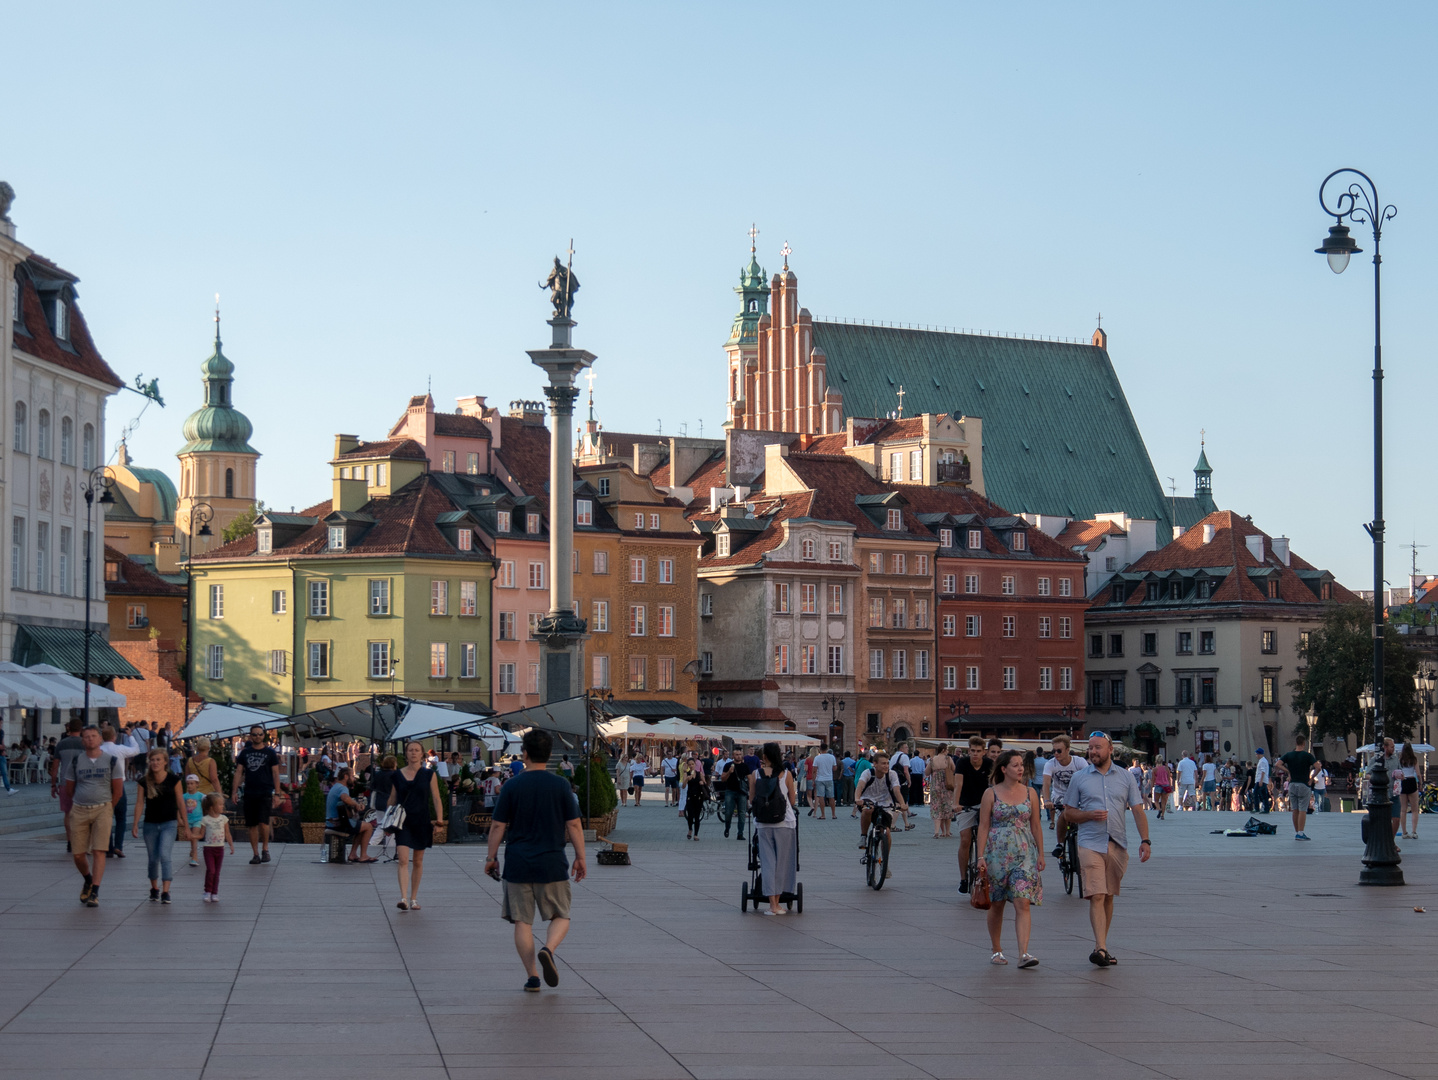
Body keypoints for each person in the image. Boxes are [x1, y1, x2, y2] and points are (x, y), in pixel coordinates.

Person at [486, 728, 586, 992]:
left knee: (522, 922)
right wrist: (581, 857)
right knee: (561, 915)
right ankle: (549, 949)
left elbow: (498, 826)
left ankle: (533, 977)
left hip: (518, 863)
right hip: (552, 862)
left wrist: (491, 857)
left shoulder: (512, 785)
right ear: (550, 754)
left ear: (525, 754)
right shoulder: (560, 785)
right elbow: (574, 825)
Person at [1063, 731, 1150, 967]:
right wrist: (1088, 815)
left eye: (1098, 747)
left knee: (1109, 895)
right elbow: (1068, 812)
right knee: (1097, 894)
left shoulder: (1126, 777)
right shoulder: (1079, 778)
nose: (1093, 752)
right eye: (1090, 748)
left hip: (1116, 842)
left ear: (1110, 749)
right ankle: (1100, 948)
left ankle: (1102, 945)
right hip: (1089, 842)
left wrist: (1145, 840)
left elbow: (1138, 809)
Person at [977, 749, 1044, 967]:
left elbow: (1035, 825)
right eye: (1015, 765)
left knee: (1022, 901)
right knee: (996, 904)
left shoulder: (1030, 793)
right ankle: (996, 950)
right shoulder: (991, 794)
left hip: (1024, 854)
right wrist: (980, 856)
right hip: (996, 854)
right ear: (1004, 769)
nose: (1020, 769)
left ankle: (1023, 953)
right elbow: (984, 826)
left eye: (1021, 765)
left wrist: (1041, 853)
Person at [63, 726, 125, 908]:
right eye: (86, 737)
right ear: (83, 741)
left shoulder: (111, 761)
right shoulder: (76, 761)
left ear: (100, 739)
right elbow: (69, 788)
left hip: (103, 808)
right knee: (78, 854)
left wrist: (108, 808)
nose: (90, 739)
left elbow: (118, 790)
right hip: (80, 809)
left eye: (93, 736)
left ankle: (95, 892)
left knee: (99, 851)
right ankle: (88, 879)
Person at [389, 742, 445, 910]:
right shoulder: (397, 775)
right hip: (402, 822)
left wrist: (440, 821)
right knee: (403, 859)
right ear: (406, 754)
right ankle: (403, 898)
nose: (413, 753)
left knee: (418, 861)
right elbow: (392, 799)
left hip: (421, 820)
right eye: (410, 750)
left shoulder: (429, 774)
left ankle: (414, 898)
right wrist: (387, 823)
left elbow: (436, 798)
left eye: (416, 750)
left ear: (422, 754)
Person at [132, 747, 188, 904]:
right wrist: (135, 823)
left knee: (164, 854)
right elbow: (139, 803)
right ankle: (154, 888)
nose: (155, 763)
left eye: (158, 760)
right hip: (150, 823)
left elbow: (180, 802)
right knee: (152, 858)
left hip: (169, 822)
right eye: (152, 760)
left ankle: (166, 891)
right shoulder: (144, 781)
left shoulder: (173, 780)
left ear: (165, 762)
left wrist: (186, 824)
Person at [748, 741, 798, 916]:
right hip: (785, 823)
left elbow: (751, 799)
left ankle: (771, 905)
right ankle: (779, 902)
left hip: (763, 823)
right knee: (783, 863)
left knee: (768, 864)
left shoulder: (756, 774)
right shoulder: (786, 775)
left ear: (764, 757)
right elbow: (791, 801)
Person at [230, 724, 281, 864]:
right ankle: (255, 853)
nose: (257, 736)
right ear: (250, 736)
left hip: (264, 791)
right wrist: (234, 791)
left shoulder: (270, 753)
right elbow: (239, 772)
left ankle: (265, 849)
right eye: (254, 734)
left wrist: (277, 793)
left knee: (263, 822)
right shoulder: (245, 753)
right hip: (249, 792)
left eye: (259, 734)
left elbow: (276, 773)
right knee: (251, 824)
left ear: (263, 735)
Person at [100, 724, 142, 858]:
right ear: (114, 736)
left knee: (106, 818)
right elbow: (136, 750)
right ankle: (119, 845)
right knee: (121, 817)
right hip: (118, 785)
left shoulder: (99, 750)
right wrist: (130, 736)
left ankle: (108, 846)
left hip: (104, 786)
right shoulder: (119, 749)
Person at [955, 736, 990, 892]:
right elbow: (958, 784)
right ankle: (963, 878)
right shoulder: (962, 763)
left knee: (990, 838)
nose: (975, 754)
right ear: (968, 751)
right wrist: (955, 803)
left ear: (984, 752)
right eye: (972, 751)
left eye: (978, 751)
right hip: (966, 804)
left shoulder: (990, 764)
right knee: (965, 839)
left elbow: (995, 785)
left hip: (985, 804)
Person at [1041, 735, 1085, 859]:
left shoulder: (1079, 762)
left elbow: (1089, 780)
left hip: (1078, 795)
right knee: (1065, 814)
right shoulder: (1051, 764)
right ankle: (1060, 844)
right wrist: (1047, 800)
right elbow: (1046, 782)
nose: (1056, 754)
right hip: (1060, 795)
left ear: (1067, 749)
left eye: (1059, 750)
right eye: (1053, 751)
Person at [855, 752, 907, 852]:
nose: (886, 766)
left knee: (886, 832)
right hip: (868, 799)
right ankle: (863, 836)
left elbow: (896, 790)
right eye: (883, 763)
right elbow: (860, 786)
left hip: (886, 803)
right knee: (868, 809)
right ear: (875, 764)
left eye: (887, 763)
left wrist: (902, 803)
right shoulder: (868, 773)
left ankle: (885, 861)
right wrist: (857, 798)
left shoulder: (892, 774)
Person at [326, 767, 377, 863]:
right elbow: (345, 798)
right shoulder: (343, 788)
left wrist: (353, 806)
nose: (354, 779)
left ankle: (353, 854)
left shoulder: (336, 786)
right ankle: (364, 855)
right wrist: (356, 804)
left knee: (360, 826)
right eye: (352, 776)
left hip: (332, 822)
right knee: (369, 827)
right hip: (338, 824)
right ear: (346, 777)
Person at [51, 720, 85, 848]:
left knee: (67, 813)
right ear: (81, 729)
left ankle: (70, 841)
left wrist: (53, 785)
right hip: (82, 782)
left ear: (69, 728)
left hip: (65, 782)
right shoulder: (85, 743)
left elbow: (55, 767)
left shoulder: (61, 744)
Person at [1279, 736, 1318, 841]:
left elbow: (1278, 764)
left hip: (1292, 784)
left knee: (1294, 809)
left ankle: (1297, 832)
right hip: (1303, 784)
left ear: (1295, 743)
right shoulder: (1307, 756)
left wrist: (1288, 771)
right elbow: (1318, 767)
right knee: (1302, 810)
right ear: (1304, 743)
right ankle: (1301, 833)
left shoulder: (1289, 755)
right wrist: (1312, 778)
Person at [199, 793, 234, 902]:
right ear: (211, 807)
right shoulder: (205, 820)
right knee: (211, 870)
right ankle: (207, 891)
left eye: (222, 804)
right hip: (209, 848)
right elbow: (201, 835)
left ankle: (215, 892)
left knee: (217, 871)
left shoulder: (223, 819)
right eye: (219, 804)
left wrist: (231, 845)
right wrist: (192, 836)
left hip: (220, 848)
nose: (222, 807)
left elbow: (227, 833)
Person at [716, 751, 750, 840]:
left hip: (741, 792)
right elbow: (723, 779)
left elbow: (750, 779)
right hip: (730, 791)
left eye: (740, 755)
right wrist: (729, 772)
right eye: (736, 755)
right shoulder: (728, 765)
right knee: (728, 812)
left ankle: (740, 833)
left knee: (742, 813)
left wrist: (750, 790)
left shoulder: (745, 766)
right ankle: (727, 828)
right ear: (733, 756)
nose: (738, 756)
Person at [927, 744, 955, 838]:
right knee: (947, 808)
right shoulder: (948, 759)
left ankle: (937, 832)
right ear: (943, 750)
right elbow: (954, 769)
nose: (947, 751)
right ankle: (947, 832)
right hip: (947, 786)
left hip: (935, 787)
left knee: (936, 808)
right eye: (947, 749)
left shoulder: (932, 760)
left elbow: (926, 772)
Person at [184, 737, 222, 805]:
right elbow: (214, 779)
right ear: (208, 748)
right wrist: (220, 794)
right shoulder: (210, 761)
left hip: (192, 795)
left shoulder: (190, 761)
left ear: (197, 748)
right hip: (206, 795)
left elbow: (187, 778)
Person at [1397, 742, 1421, 839]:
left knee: (1403, 810)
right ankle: (1414, 832)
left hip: (1403, 781)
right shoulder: (1414, 760)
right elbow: (1418, 773)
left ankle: (1404, 832)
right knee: (1415, 809)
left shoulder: (1400, 760)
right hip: (1411, 781)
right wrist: (1421, 783)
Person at [810, 743, 838, 820]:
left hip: (820, 779)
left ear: (820, 748)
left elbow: (814, 771)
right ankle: (833, 814)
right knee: (831, 797)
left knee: (821, 797)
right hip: (829, 778)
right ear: (827, 748)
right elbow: (835, 768)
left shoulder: (817, 758)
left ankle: (823, 815)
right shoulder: (832, 757)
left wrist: (813, 781)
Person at [683, 758, 708, 840]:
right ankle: (690, 829)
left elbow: (705, 783)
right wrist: (687, 779)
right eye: (689, 764)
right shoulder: (686, 774)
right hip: (690, 796)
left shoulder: (699, 773)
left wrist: (702, 782)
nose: (691, 766)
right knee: (690, 815)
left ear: (695, 765)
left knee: (697, 816)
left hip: (698, 796)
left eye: (692, 764)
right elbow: (683, 786)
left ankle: (696, 834)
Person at [183, 775, 204, 866]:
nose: (190, 786)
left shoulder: (200, 795)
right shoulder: (184, 796)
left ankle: (194, 857)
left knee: (194, 836)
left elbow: (208, 801)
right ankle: (193, 849)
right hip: (188, 820)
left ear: (197, 784)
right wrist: (180, 819)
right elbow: (181, 808)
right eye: (188, 784)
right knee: (191, 838)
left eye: (192, 783)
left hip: (198, 820)